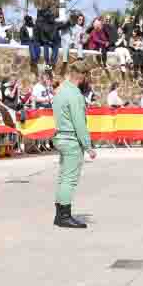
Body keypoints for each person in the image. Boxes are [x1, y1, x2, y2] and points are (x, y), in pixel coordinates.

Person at [51, 63, 94, 229]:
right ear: (82, 76)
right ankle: (64, 216)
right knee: (70, 179)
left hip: (60, 136)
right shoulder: (75, 94)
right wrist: (88, 146)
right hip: (71, 139)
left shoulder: (60, 91)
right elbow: (79, 123)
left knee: (63, 177)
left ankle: (59, 214)